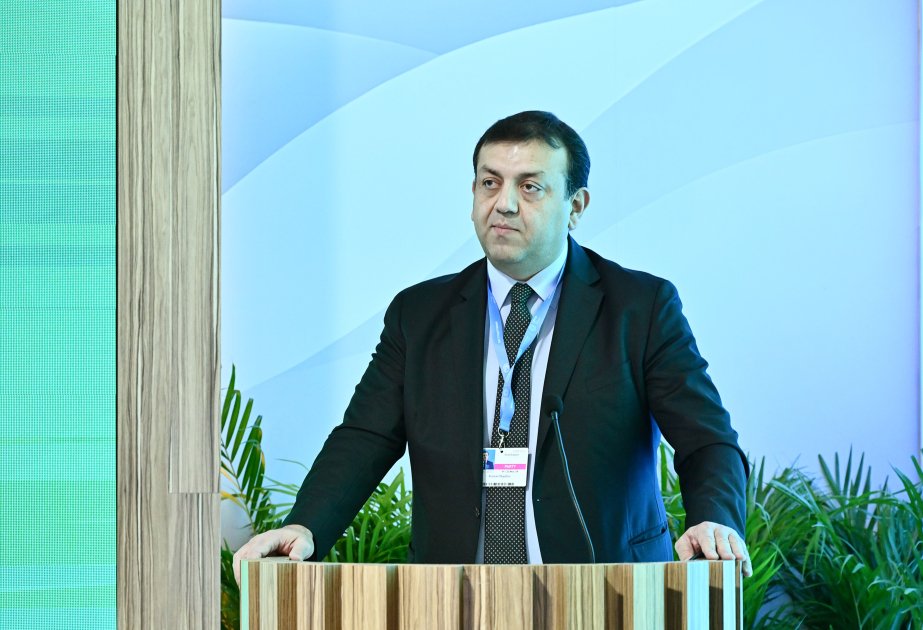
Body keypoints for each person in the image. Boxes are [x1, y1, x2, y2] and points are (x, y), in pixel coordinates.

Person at [234, 111, 751, 582]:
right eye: (490, 183)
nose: (503, 203)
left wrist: (715, 521)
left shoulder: (639, 307)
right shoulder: (420, 314)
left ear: (575, 206)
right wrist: (305, 526)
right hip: (455, 596)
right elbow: (364, 437)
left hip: (608, 590)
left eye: (530, 187)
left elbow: (706, 440)